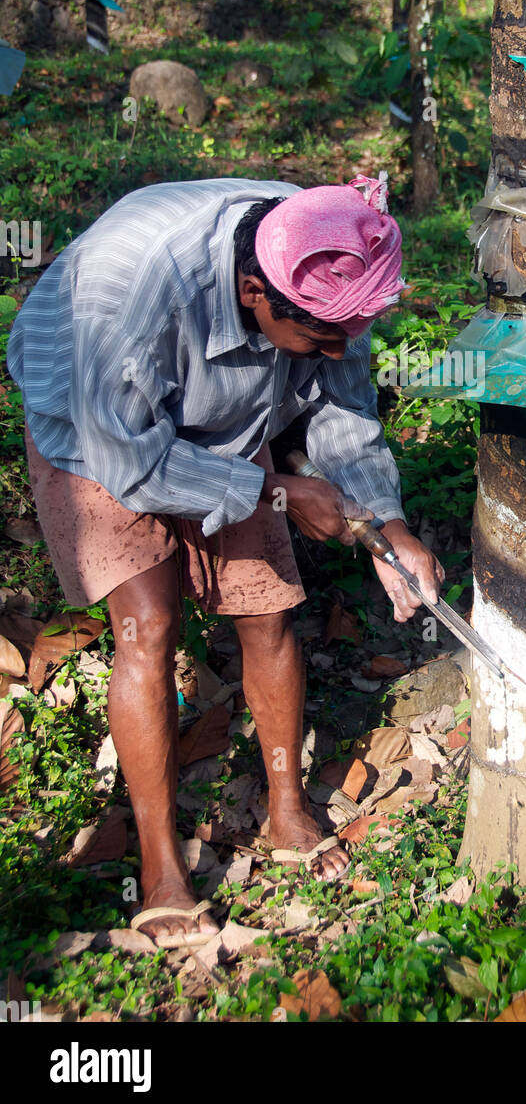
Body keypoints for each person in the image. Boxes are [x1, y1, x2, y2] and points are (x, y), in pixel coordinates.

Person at [7, 173, 444, 948]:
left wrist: (388, 524)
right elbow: (132, 461)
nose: (340, 350)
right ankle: (160, 864)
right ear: (252, 290)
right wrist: (277, 488)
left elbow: (343, 406)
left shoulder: (331, 263)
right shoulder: (132, 292)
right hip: (97, 425)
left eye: (349, 332)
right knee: (148, 624)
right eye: (319, 337)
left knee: (268, 612)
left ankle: (285, 806)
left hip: (230, 421)